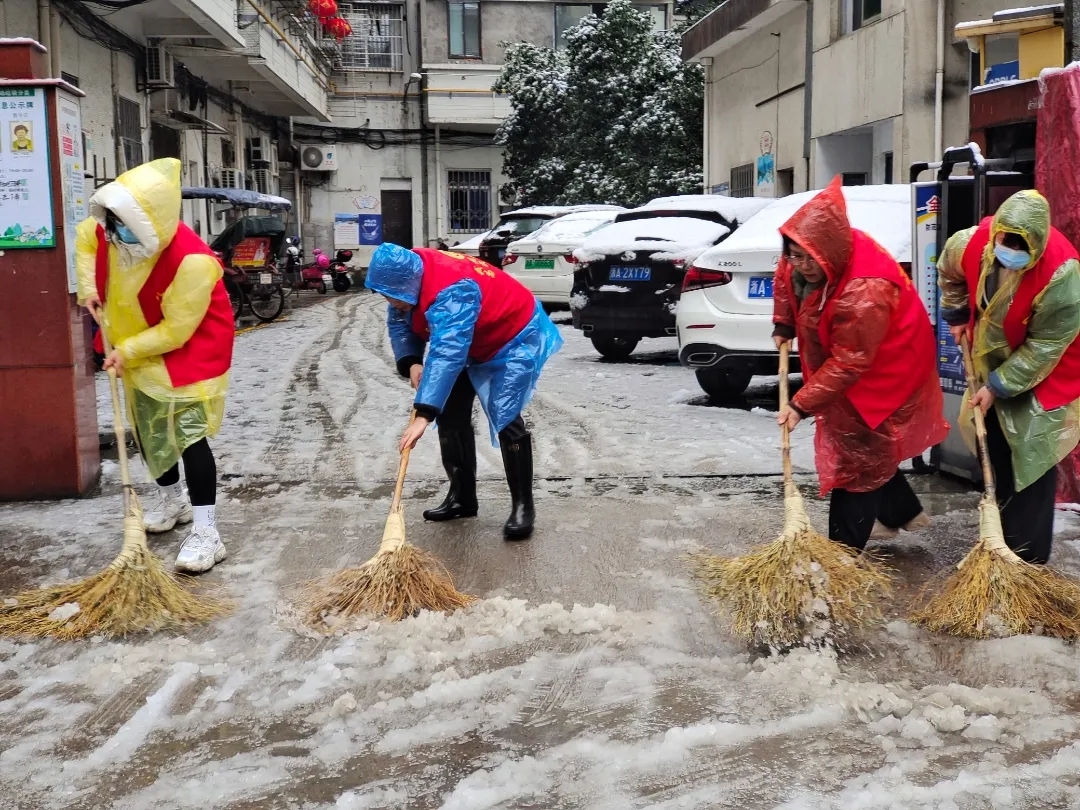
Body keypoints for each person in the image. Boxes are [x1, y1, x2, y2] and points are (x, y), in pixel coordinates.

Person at [76, 158, 235, 573]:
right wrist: (90, 289)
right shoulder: (110, 227)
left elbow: (177, 330)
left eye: (126, 226)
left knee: (188, 435)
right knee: (148, 430)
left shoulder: (193, 262)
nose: (116, 233)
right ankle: (172, 501)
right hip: (131, 342)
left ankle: (207, 532)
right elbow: (86, 239)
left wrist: (127, 350)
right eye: (114, 224)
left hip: (188, 352)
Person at [772, 177, 949, 551]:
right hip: (847, 359)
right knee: (862, 443)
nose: (802, 265)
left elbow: (851, 362)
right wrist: (783, 322)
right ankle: (903, 513)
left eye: (809, 258)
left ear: (829, 251)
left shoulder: (863, 290)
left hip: (888, 366)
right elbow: (785, 279)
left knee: (859, 456)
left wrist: (801, 404)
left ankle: (842, 551)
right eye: (795, 255)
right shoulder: (807, 253)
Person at [366, 242, 563, 539]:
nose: (393, 304)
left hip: (511, 336)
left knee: (506, 415)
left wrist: (424, 413)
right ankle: (462, 498)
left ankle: (523, 506)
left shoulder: (453, 289)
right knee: (452, 414)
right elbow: (401, 320)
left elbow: (448, 352)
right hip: (467, 339)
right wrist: (412, 363)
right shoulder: (407, 277)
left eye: (396, 298)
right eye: (388, 297)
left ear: (411, 284)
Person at [937, 189, 1080, 564]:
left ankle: (1026, 558)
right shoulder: (970, 244)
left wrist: (999, 385)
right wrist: (956, 315)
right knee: (998, 445)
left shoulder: (1062, 273)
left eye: (1021, 250)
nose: (1010, 254)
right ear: (996, 233)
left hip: (1050, 365)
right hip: (994, 353)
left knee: (1031, 455)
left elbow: (1047, 344)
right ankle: (1001, 542)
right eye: (1004, 243)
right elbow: (950, 273)